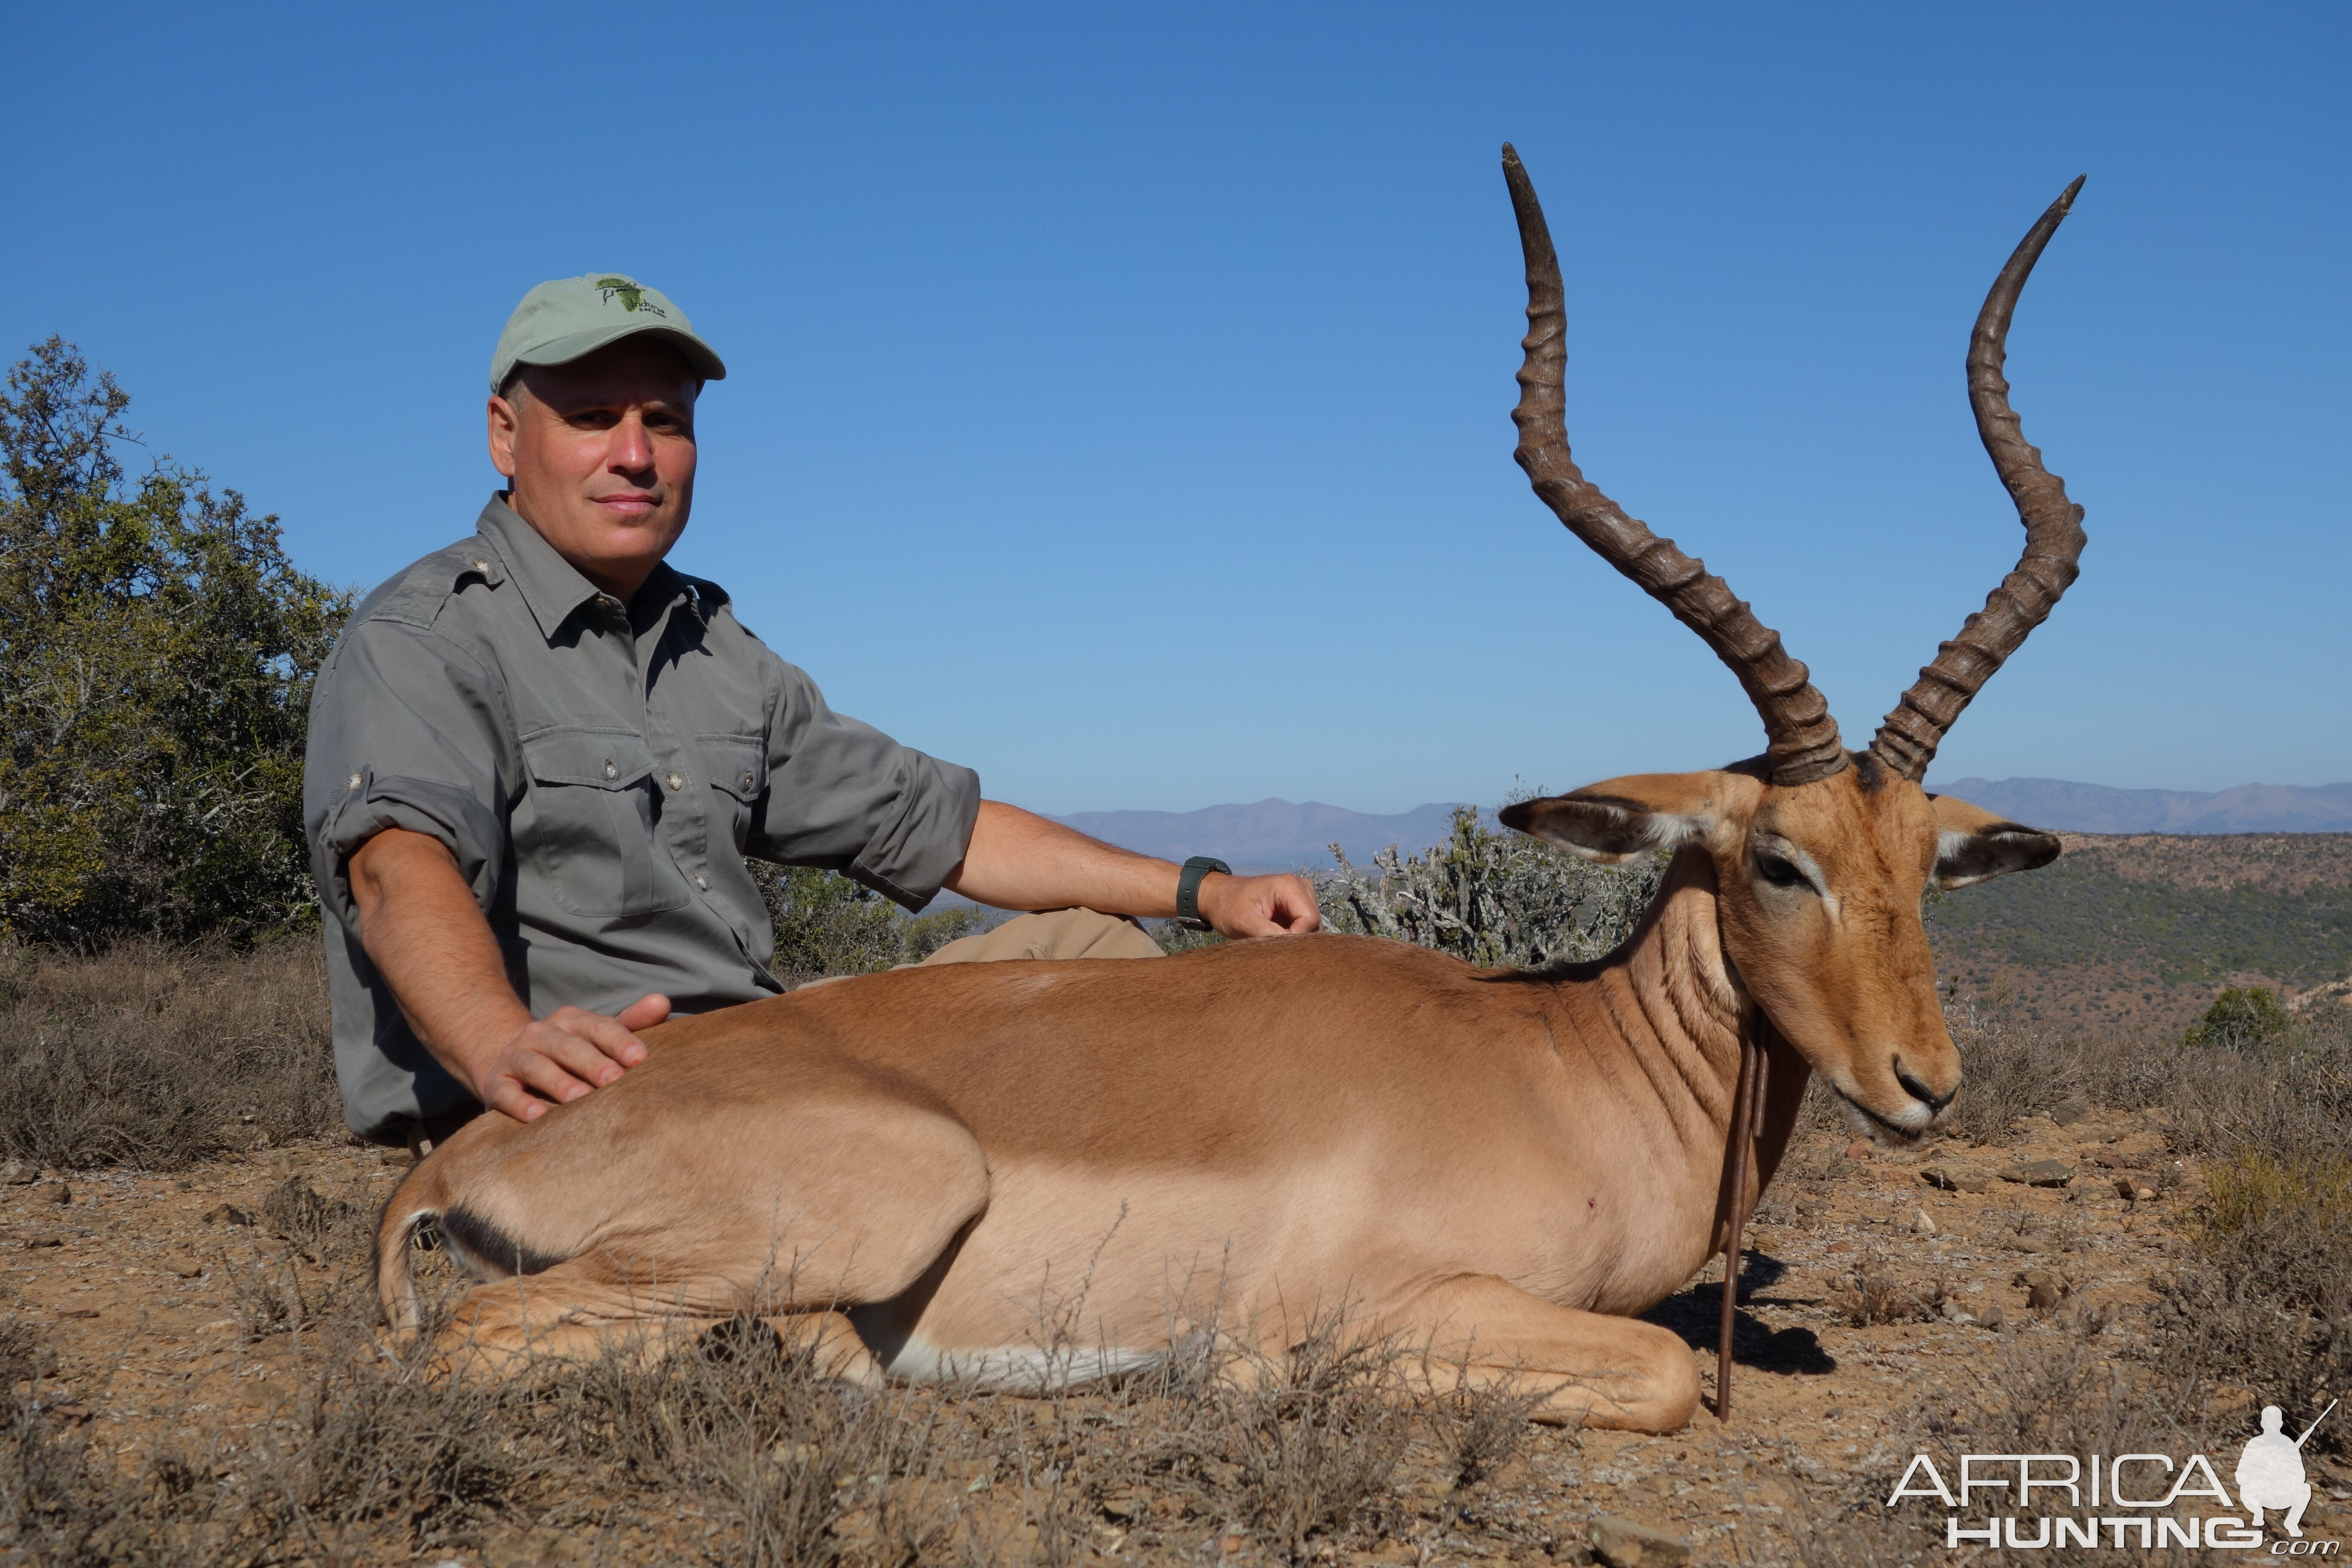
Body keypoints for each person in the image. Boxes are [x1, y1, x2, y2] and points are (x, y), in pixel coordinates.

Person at [303, 273, 1320, 1151]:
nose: (634, 453)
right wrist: (499, 1045)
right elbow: (397, 870)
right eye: (590, 416)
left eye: (664, 420)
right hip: (577, 1100)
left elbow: (938, 828)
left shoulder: (711, 647)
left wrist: (1203, 893)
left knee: (1096, 956)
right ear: (503, 434)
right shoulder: (427, 635)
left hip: (752, 1057)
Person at [2235, 1403, 2317, 1537]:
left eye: (2274, 1422)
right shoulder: (2255, 1444)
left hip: (2279, 1492)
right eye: (2268, 1422)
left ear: (2280, 1423)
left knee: (2305, 1489)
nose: (2271, 1425)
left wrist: (2285, 1478)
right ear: (2262, 1423)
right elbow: (2241, 1474)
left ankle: (2292, 1523)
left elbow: (2300, 1475)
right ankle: (2258, 1517)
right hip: (2259, 1493)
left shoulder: (2288, 1444)